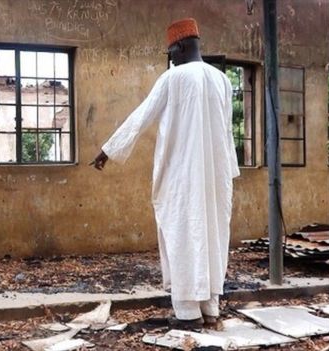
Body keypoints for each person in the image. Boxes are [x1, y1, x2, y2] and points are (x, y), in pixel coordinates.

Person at [90, 18, 240, 327]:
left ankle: (187, 313)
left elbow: (141, 116)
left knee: (183, 233)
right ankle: (211, 307)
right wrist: (228, 173)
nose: (170, 56)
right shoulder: (222, 80)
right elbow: (227, 135)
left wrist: (108, 149)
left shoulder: (173, 79)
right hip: (215, 179)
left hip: (182, 178)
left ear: (182, 46)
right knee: (211, 235)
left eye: (171, 50)